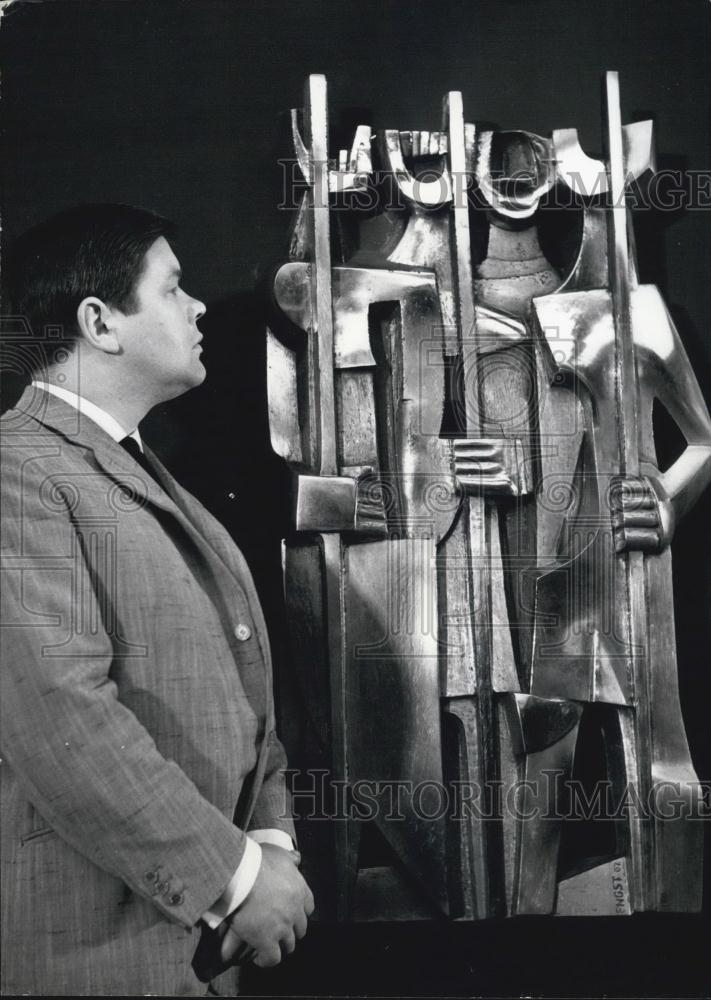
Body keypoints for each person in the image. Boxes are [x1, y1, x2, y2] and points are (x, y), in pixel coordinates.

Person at [0, 203, 314, 996]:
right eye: (173, 288)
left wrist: (271, 846)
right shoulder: (15, 470)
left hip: (183, 953)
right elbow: (61, 718)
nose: (198, 306)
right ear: (100, 323)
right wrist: (237, 878)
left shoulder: (148, 475)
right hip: (90, 959)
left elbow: (244, 686)